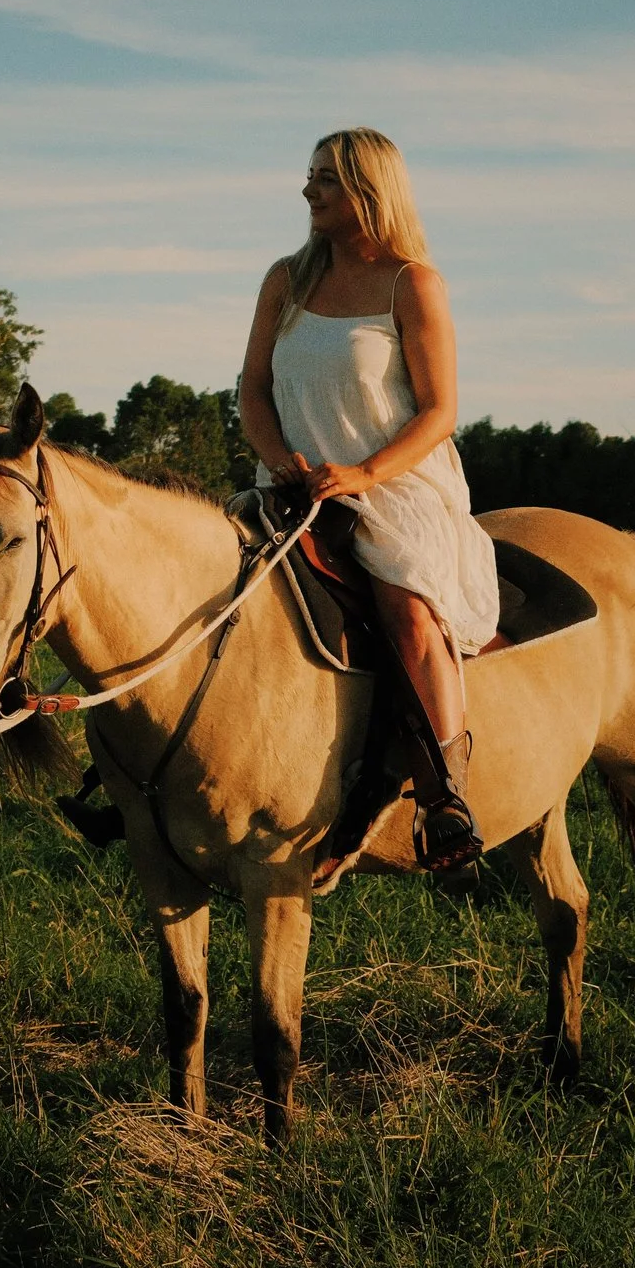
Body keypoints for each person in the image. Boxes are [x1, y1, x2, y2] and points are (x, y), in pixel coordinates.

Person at [237, 127, 500, 888]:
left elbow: (441, 410)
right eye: (309, 176)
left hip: (394, 483)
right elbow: (252, 391)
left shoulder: (411, 283)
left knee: (406, 607)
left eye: (325, 178)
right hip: (291, 481)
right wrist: (285, 463)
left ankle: (444, 796)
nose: (309, 190)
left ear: (368, 190)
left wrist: (362, 473)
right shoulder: (285, 279)